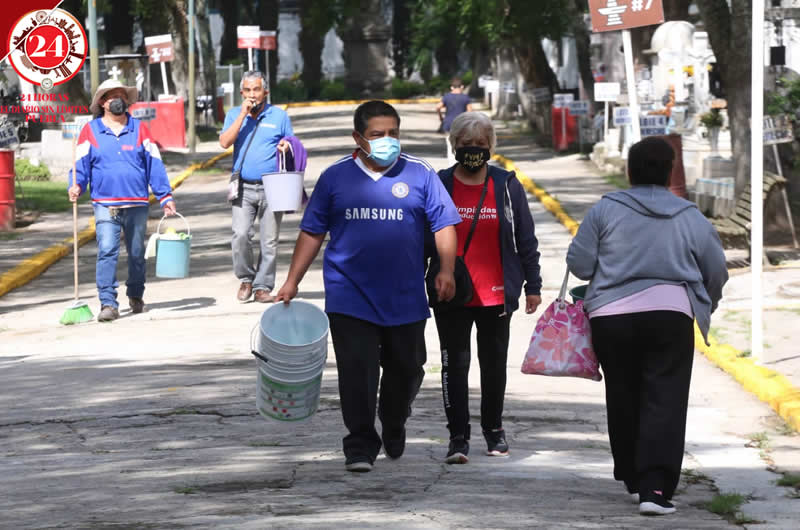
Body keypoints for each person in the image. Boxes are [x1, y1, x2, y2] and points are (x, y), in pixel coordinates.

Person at [275, 100, 462, 473]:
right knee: (357, 372)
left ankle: (394, 419)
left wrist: (447, 269)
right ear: (358, 138)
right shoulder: (335, 178)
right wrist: (291, 281)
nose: (387, 140)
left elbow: (444, 225)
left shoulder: (420, 173)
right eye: (377, 134)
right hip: (349, 295)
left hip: (405, 296)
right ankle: (359, 445)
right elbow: (312, 232)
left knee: (407, 368)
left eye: (393, 133)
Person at [566, 137, 728, 516]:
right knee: (665, 399)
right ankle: (655, 488)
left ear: (629, 171)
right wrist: (704, 302)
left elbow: (580, 264)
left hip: (611, 319)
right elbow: (716, 269)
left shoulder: (605, 210)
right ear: (670, 172)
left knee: (623, 394)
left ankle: (632, 476)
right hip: (670, 317)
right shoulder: (690, 216)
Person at [428, 112, 542, 464]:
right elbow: (423, 236)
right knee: (454, 365)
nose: (474, 150)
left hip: (496, 293)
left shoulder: (506, 185)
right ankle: (457, 437)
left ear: (491, 146)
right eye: (466, 144)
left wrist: (533, 284)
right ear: (454, 145)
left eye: (480, 144)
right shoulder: (440, 183)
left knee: (493, 366)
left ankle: (494, 429)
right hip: (451, 292)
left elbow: (525, 237)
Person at [68, 79, 177, 322]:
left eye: (122, 95)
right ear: (102, 102)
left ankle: (136, 294)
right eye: (112, 95)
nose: (118, 99)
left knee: (136, 252)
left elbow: (154, 164)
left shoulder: (139, 129)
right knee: (107, 250)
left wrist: (165, 196)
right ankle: (108, 303)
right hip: (105, 204)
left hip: (137, 203)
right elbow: (80, 167)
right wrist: (75, 185)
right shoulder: (90, 131)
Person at [219, 70, 293, 303]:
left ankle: (263, 287)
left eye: (257, 89)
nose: (252, 94)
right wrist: (242, 114)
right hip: (243, 187)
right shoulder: (234, 114)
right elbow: (224, 142)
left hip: (273, 185)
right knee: (240, 235)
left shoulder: (279, 116)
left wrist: (286, 145)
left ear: (265, 92)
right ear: (242, 93)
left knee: (269, 241)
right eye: (248, 90)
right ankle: (246, 279)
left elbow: (292, 142)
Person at [436, 78, 473, 165]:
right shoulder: (466, 98)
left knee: (450, 146)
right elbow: (470, 113)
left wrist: (441, 117)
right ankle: (461, 164)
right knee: (462, 145)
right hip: (462, 125)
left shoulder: (447, 97)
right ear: (462, 87)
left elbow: (438, 107)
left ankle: (452, 166)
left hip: (449, 124)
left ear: (452, 87)